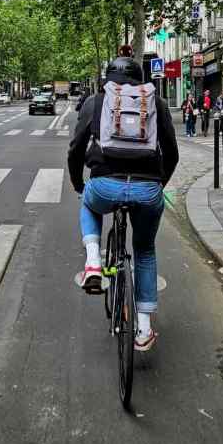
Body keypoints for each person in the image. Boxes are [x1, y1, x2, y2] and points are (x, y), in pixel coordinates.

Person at [68, 55, 179, 352]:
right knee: (144, 250)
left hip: (105, 184)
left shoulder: (95, 101)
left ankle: (93, 263)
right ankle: (144, 329)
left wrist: (80, 184)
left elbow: (77, 148)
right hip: (147, 188)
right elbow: (172, 153)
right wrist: (157, 185)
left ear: (108, 77)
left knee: (89, 204)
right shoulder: (156, 103)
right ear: (140, 78)